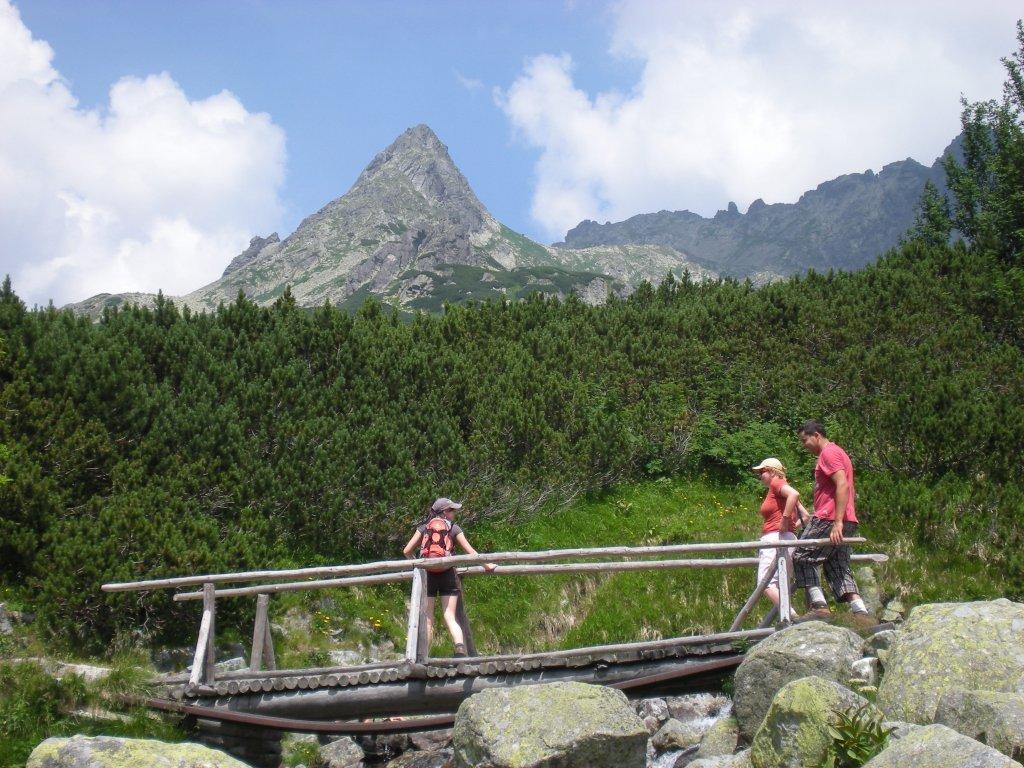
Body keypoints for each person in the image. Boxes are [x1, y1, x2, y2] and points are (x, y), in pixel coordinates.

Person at [792, 421, 874, 626]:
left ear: (816, 435)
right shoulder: (839, 452)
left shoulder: (828, 453)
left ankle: (819, 606)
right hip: (846, 518)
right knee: (837, 564)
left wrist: (837, 522)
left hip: (830, 518)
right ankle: (861, 612)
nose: (804, 445)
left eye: (805, 440)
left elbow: (842, 484)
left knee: (801, 555)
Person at [402, 497, 495, 657]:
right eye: (452, 510)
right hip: (448, 575)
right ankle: (460, 649)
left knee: (428, 619)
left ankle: (423, 657)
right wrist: (487, 566)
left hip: (427, 576)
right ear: (445, 512)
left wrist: (417, 565)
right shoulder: (454, 529)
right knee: (449, 616)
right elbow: (471, 552)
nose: (454, 513)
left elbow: (407, 551)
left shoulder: (423, 528)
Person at [751, 458, 806, 622]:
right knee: (781, 583)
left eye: (762, 471)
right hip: (788, 538)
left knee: (766, 584)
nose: (760, 475)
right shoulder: (781, 488)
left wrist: (784, 520)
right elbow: (805, 515)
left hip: (776, 539)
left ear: (772, 471)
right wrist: (790, 527)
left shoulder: (777, 483)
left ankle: (792, 617)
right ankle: (788, 619)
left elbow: (794, 494)